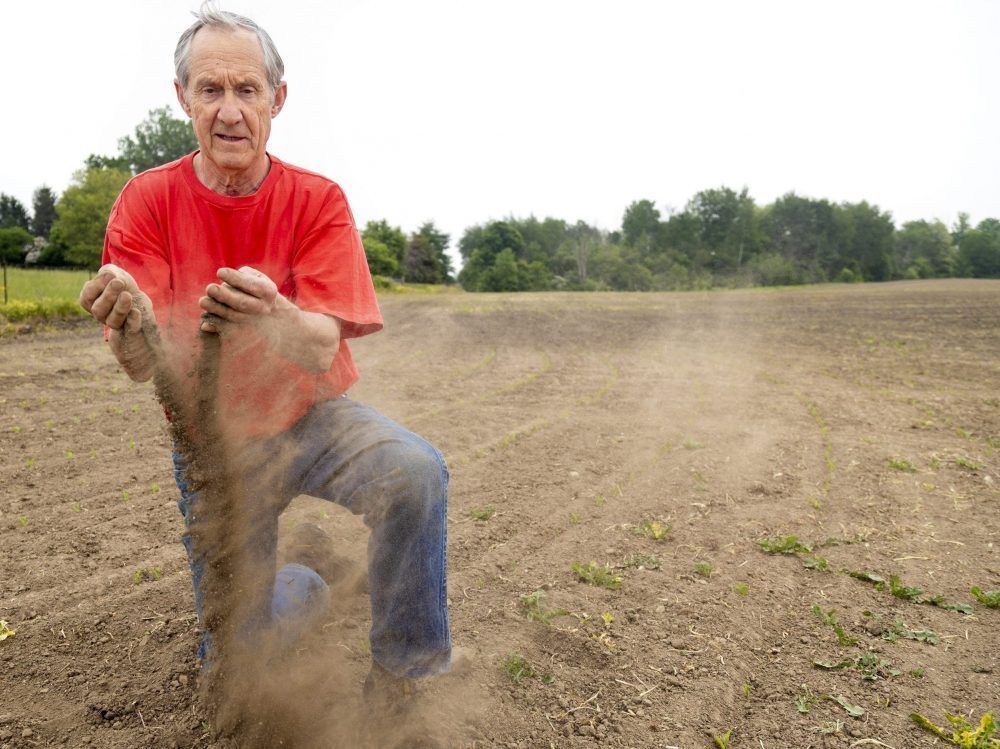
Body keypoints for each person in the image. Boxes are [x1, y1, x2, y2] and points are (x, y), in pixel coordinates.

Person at [77, 5, 451, 700]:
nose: (228, 111)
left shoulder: (316, 200)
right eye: (210, 90)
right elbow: (139, 363)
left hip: (310, 419)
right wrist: (130, 324)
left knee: (414, 471)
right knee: (236, 667)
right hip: (214, 447)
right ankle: (304, 584)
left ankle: (404, 675)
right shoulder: (147, 201)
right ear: (181, 97)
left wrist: (275, 315)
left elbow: (320, 346)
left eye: (246, 90)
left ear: (277, 99)